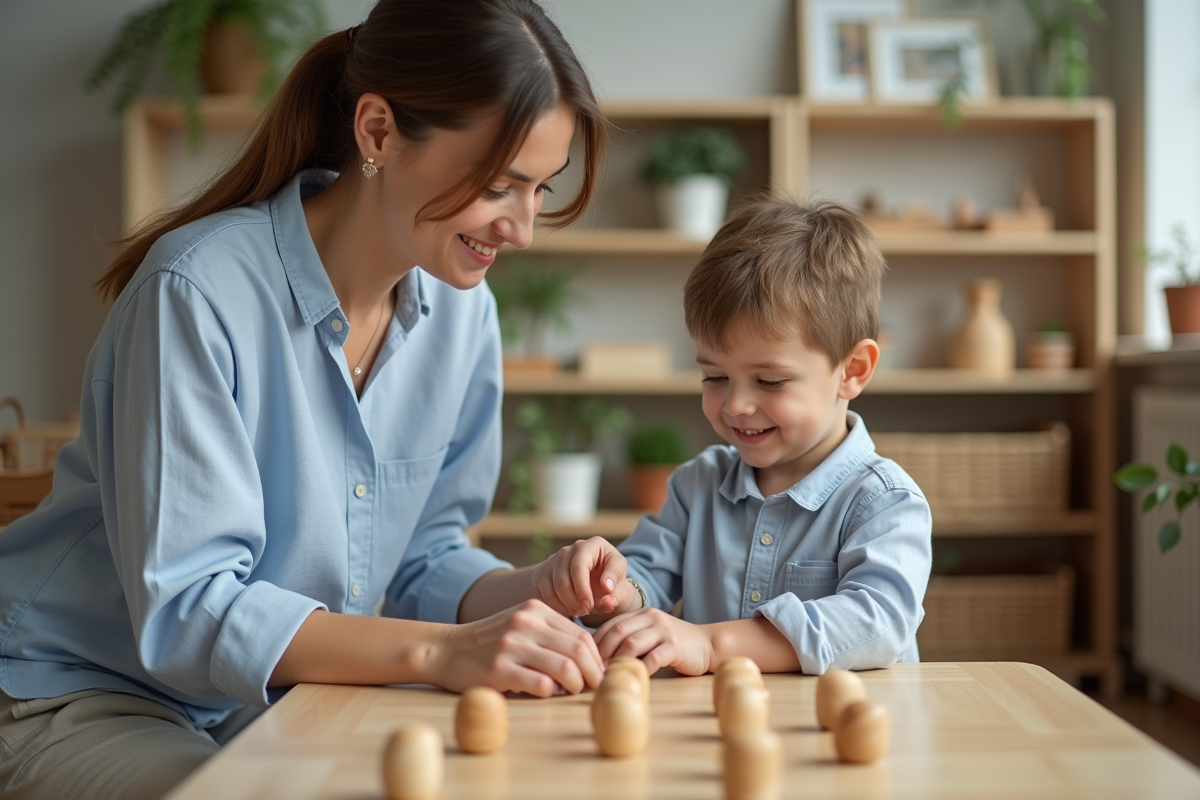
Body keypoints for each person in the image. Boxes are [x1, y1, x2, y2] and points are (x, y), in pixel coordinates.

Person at [0, 2, 624, 797]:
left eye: (540, 189)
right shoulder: (197, 292)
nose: (525, 228)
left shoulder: (463, 315)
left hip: (269, 701)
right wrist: (441, 651)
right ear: (377, 132)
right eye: (500, 185)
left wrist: (538, 589)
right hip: (82, 693)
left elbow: (422, 560)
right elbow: (191, 608)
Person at [534, 199, 933, 676]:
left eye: (769, 381)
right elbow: (646, 584)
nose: (735, 405)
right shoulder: (697, 484)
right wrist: (612, 589)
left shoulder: (884, 503)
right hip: (716, 735)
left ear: (853, 371)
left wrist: (711, 644)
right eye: (714, 377)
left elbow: (877, 624)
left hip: (841, 739)